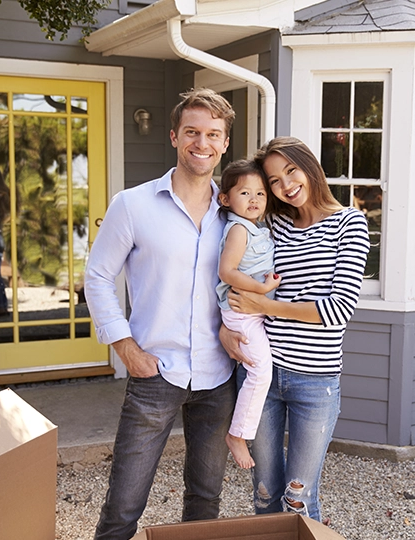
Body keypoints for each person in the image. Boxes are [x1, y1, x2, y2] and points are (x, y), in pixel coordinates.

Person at [84, 88, 237, 540]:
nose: (202, 143)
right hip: (154, 373)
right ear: (174, 136)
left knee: (206, 497)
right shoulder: (132, 205)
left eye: (213, 134)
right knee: (125, 501)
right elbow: (97, 276)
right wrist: (124, 346)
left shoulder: (235, 214)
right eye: (192, 132)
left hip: (218, 375)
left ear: (225, 143)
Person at [222, 136, 370, 523]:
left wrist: (265, 305)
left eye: (291, 171)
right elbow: (226, 260)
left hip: (315, 382)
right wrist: (225, 330)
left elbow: (338, 309)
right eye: (273, 180)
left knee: (298, 497)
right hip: (261, 374)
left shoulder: (349, 223)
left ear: (309, 165)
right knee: (264, 491)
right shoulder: (272, 223)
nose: (285, 185)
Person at [215, 159, 280, 469]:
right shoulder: (239, 230)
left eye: (260, 194)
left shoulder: (257, 228)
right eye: (244, 193)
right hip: (242, 312)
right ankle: (238, 435)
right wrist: (261, 289)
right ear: (225, 198)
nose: (254, 200)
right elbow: (226, 271)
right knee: (260, 371)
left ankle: (240, 432)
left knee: (258, 369)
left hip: (251, 311)